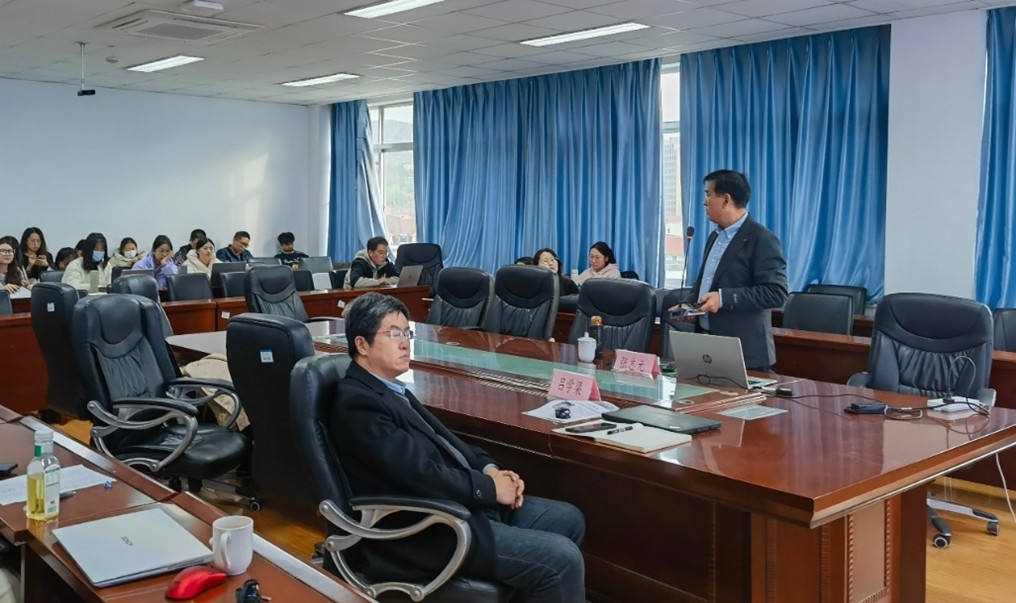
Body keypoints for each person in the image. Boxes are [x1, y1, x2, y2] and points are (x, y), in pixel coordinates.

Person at [332, 293, 586, 602]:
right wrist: (489, 490)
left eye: (407, 333)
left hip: (463, 507)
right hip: (429, 530)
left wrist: (491, 470)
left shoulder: (391, 389)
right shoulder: (357, 403)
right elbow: (419, 475)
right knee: (562, 560)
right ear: (362, 345)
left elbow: (449, 444)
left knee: (569, 518)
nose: (405, 343)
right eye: (393, 334)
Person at [675, 169, 788, 371]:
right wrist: (690, 304)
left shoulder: (762, 239)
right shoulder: (715, 236)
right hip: (707, 345)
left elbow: (776, 293)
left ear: (726, 200)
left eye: (708, 194)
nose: (704, 202)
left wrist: (723, 298)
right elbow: (706, 281)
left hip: (744, 352)